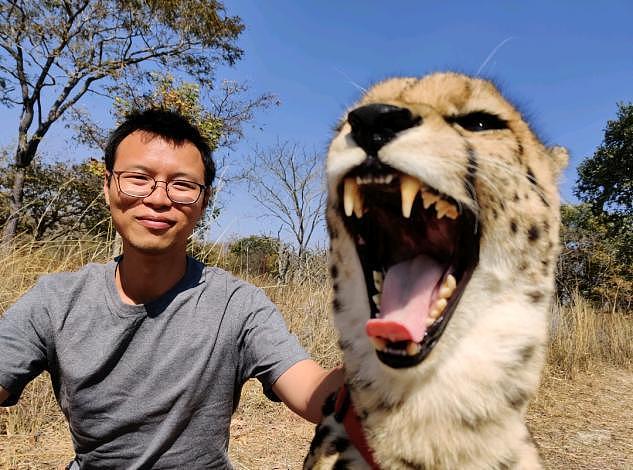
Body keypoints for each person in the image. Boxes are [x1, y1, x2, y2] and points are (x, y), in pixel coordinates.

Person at [0, 109, 342, 469]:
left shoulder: (237, 305)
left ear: (204, 201)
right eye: (138, 178)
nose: (159, 199)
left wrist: (390, 348)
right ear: (107, 185)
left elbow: (314, 395)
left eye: (182, 185)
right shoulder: (55, 301)